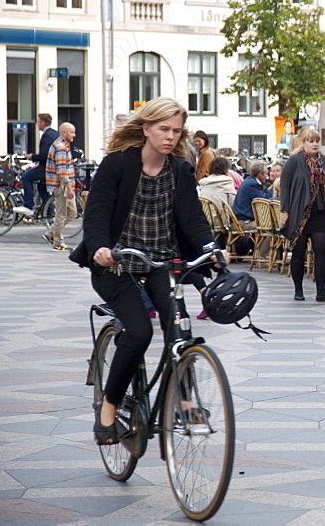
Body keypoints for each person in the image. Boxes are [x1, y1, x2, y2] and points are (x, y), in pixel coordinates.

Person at [70, 97, 225, 446]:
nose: (170, 136)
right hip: (116, 264)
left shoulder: (180, 170)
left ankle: (184, 401)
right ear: (146, 129)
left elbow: (192, 219)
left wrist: (210, 248)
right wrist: (99, 248)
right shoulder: (116, 166)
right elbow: (96, 214)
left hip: (161, 261)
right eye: (163, 129)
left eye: (176, 130)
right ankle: (109, 407)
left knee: (178, 328)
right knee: (139, 333)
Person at [280, 127, 325, 303]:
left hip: (321, 212)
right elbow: (285, 187)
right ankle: (298, 290)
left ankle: (321, 291)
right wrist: (284, 211)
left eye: (317, 141)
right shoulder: (294, 161)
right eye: (311, 141)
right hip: (300, 212)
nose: (315, 144)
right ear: (303, 142)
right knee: (299, 251)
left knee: (321, 250)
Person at [14, 112, 58, 216]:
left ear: (42, 123)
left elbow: (45, 155)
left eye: (38, 122)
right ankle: (50, 213)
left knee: (26, 177)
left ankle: (28, 206)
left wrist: (32, 156)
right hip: (53, 167)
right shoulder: (55, 133)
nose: (37, 124)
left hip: (47, 168)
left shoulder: (46, 136)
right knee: (41, 188)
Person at [44, 122, 77, 250]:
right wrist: (68, 188)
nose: (74, 135)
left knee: (72, 212)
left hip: (65, 184)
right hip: (61, 185)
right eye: (72, 132)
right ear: (64, 133)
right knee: (61, 213)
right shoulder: (60, 147)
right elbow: (62, 170)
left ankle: (51, 233)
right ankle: (57, 241)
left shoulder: (64, 145)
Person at [231, 161, 272, 228]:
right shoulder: (252, 184)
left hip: (241, 218)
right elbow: (264, 200)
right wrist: (273, 188)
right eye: (266, 174)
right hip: (243, 222)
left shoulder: (249, 180)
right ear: (260, 174)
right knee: (272, 226)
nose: (267, 176)